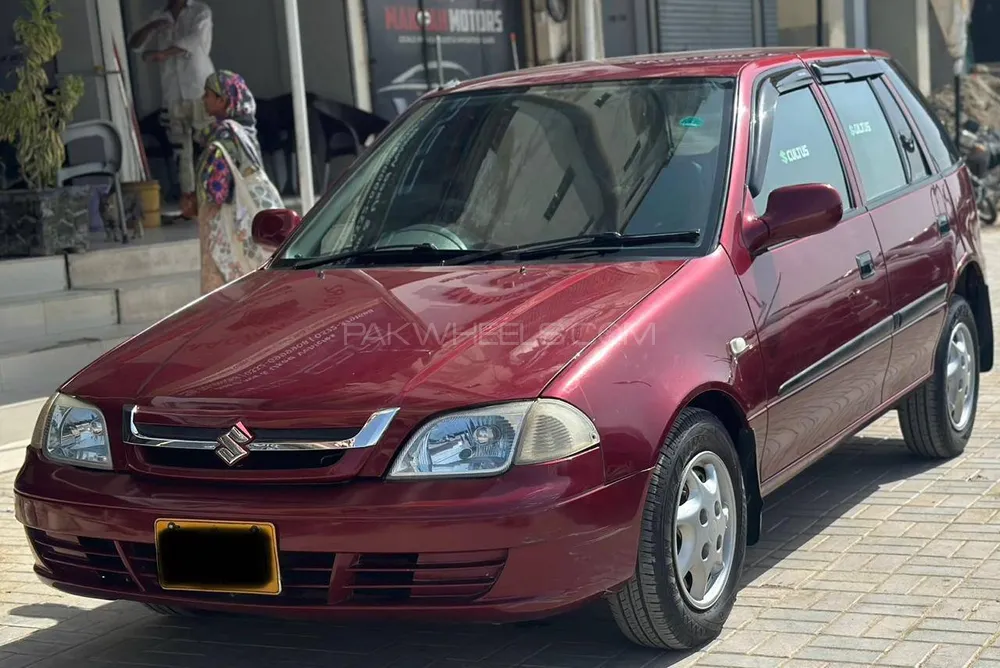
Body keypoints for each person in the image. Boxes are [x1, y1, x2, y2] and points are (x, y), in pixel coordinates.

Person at [195, 70, 284, 294]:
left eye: (208, 94)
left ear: (222, 100)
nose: (203, 99)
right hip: (243, 219)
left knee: (221, 286)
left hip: (224, 222)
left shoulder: (224, 136)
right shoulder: (245, 131)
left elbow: (217, 191)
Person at [128, 0, 215, 219]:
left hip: (199, 90)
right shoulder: (159, 15)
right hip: (173, 93)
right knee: (180, 151)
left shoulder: (200, 11)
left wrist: (163, 54)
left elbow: (195, 41)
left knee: (208, 146)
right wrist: (151, 28)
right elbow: (135, 45)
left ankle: (214, 198)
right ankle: (189, 203)